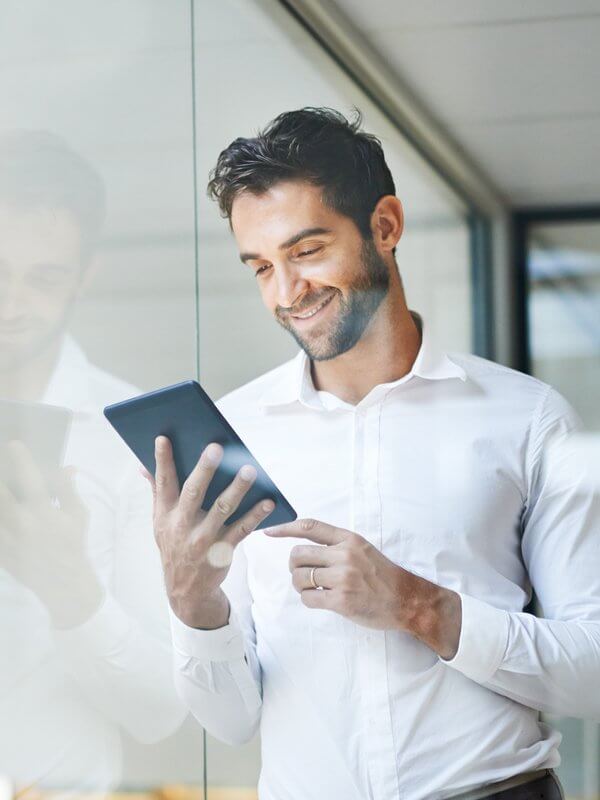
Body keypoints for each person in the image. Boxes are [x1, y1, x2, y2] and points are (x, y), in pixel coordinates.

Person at [142, 108, 600, 800]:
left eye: (306, 252)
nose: (286, 294)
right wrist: (190, 597)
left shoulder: (529, 421)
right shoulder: (233, 435)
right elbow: (231, 721)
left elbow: (591, 673)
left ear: (385, 226)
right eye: (262, 267)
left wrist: (420, 606)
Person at [0, 130, 185, 794]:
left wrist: (69, 589)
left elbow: (162, 711)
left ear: (85, 276)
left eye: (43, 278)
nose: (12, 304)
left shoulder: (137, 437)